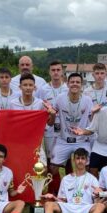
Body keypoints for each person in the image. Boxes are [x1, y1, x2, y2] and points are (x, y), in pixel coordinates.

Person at [27, 148, 105, 213]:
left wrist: (99, 194)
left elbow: (96, 201)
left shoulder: (92, 179)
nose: (80, 161)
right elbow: (63, 200)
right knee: (49, 204)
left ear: (87, 161)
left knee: (101, 206)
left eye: (83, 158)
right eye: (78, 158)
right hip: (69, 206)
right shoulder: (66, 179)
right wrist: (53, 197)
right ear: (73, 160)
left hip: (85, 207)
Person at [49, 73, 92, 180]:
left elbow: (92, 121)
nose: (75, 84)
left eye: (78, 82)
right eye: (72, 82)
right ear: (67, 84)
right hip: (63, 140)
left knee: (87, 167)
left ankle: (83, 189)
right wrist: (52, 115)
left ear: (82, 85)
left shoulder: (87, 100)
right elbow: (54, 117)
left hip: (81, 140)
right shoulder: (59, 98)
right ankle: (57, 190)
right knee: (53, 168)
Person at [35, 61, 69, 194]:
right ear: (49, 72)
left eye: (58, 70)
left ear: (62, 72)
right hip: (49, 129)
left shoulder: (67, 88)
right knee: (51, 161)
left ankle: (67, 190)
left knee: (67, 161)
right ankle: (53, 190)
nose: (55, 72)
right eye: (53, 70)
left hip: (65, 130)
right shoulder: (42, 90)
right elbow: (38, 107)